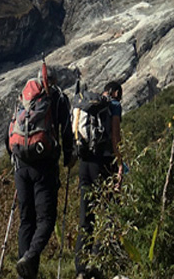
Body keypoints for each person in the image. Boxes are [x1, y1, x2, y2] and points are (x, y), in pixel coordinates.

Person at [7, 66, 74, 279]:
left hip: (21, 166)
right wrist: (69, 157)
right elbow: (66, 132)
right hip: (44, 166)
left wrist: (15, 157)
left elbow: (8, 135)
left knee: (26, 220)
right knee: (46, 219)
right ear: (54, 80)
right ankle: (29, 257)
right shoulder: (58, 99)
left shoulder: (24, 99)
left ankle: (25, 274)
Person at [75, 80, 124, 279]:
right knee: (107, 211)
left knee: (85, 217)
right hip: (102, 163)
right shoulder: (113, 106)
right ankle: (97, 263)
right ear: (115, 92)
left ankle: (80, 269)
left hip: (84, 163)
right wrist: (120, 163)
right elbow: (115, 137)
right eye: (120, 94)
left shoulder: (85, 104)